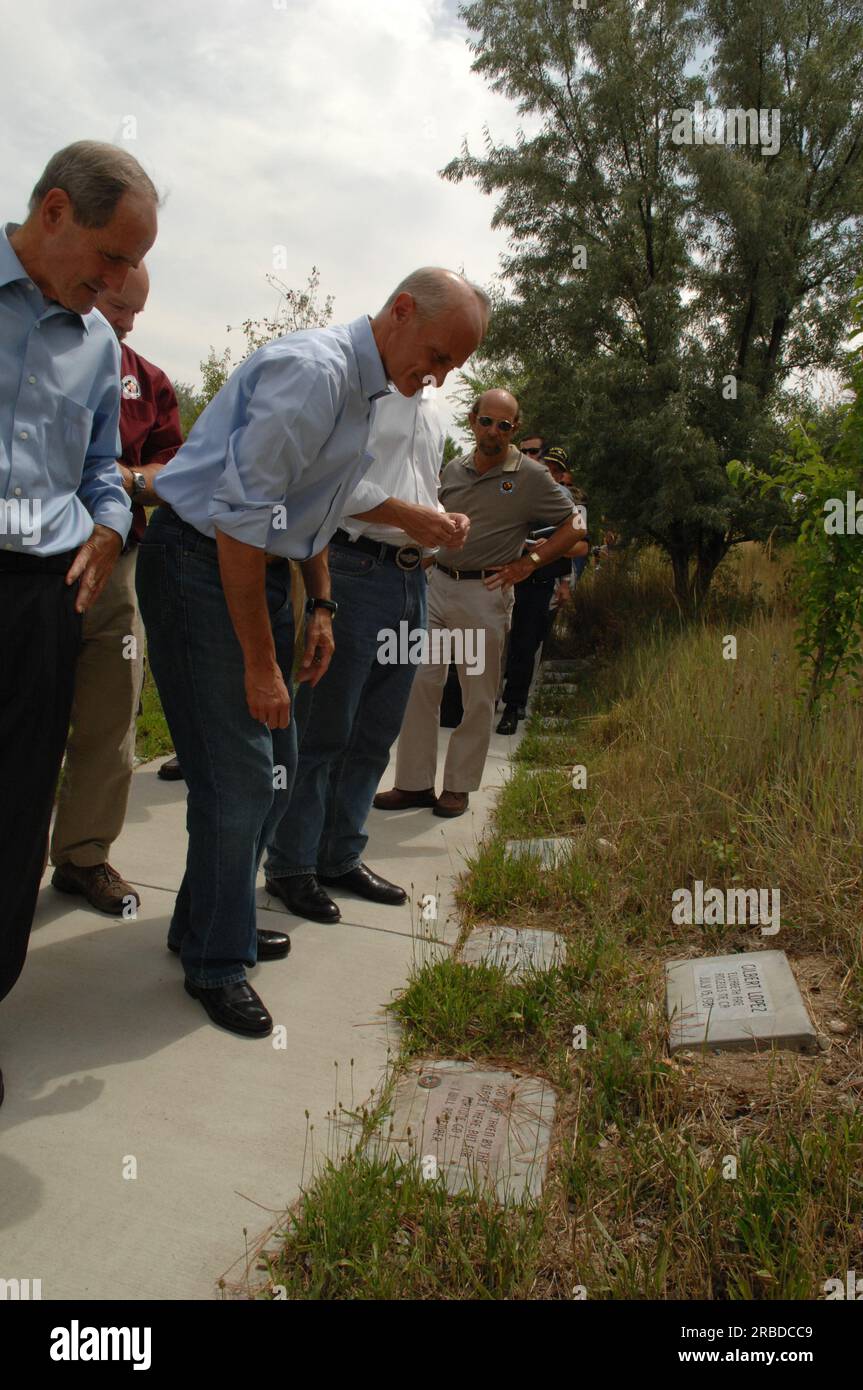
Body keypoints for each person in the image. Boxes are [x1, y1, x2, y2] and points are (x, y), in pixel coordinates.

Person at [137, 267, 489, 1037]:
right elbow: (237, 521)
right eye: (435, 354)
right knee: (239, 774)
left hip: (253, 567)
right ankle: (217, 963)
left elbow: (311, 510)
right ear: (399, 310)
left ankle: (205, 923)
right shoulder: (314, 374)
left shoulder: (369, 392)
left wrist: (321, 604)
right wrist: (261, 665)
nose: (437, 375)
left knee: (278, 765)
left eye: (452, 367)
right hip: (203, 562)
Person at [0, 140, 159, 1106]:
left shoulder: (99, 346)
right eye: (110, 258)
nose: (118, 283)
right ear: (53, 212)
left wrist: (108, 524)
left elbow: (103, 467)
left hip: (41, 596)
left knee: (19, 806)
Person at [263, 383, 469, 923]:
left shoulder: (436, 411)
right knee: (323, 729)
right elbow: (325, 481)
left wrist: (441, 517)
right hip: (352, 566)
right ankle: (290, 866)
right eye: (443, 351)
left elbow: (417, 486)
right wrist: (407, 516)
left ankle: (339, 855)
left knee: (376, 731)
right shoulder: (361, 396)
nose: (445, 370)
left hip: (411, 578)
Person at [374, 391, 586, 819]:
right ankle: (413, 784)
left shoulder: (530, 476)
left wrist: (529, 564)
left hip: (483, 592)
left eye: (504, 426)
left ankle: (457, 787)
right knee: (419, 685)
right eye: (486, 421)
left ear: (515, 429)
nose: (493, 432)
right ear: (472, 420)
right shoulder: (454, 469)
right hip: (436, 586)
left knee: (477, 694)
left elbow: (575, 525)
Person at [50, 263, 183, 913]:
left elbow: (172, 472)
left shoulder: (149, 383)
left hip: (115, 568)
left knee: (109, 720)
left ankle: (83, 855)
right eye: (114, 303)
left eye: (135, 311)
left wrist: (120, 482)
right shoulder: (34, 347)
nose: (124, 320)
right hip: (31, 564)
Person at [496, 445, 589, 734]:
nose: (547, 472)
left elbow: (580, 544)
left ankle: (513, 705)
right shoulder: (513, 489)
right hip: (502, 578)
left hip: (537, 583)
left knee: (525, 646)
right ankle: (487, 698)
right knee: (496, 644)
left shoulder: (566, 504)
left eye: (553, 469)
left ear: (561, 475)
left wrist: (545, 554)